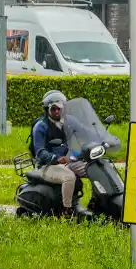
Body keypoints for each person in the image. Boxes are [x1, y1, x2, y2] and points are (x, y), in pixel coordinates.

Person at [31, 90, 92, 219]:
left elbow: (84, 132)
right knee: (69, 177)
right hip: (47, 166)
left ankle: (99, 203)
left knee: (93, 169)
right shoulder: (41, 127)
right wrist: (56, 159)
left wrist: (96, 139)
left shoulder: (69, 121)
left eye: (60, 109)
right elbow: (40, 152)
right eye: (54, 109)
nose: (57, 112)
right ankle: (67, 211)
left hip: (68, 161)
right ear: (47, 109)